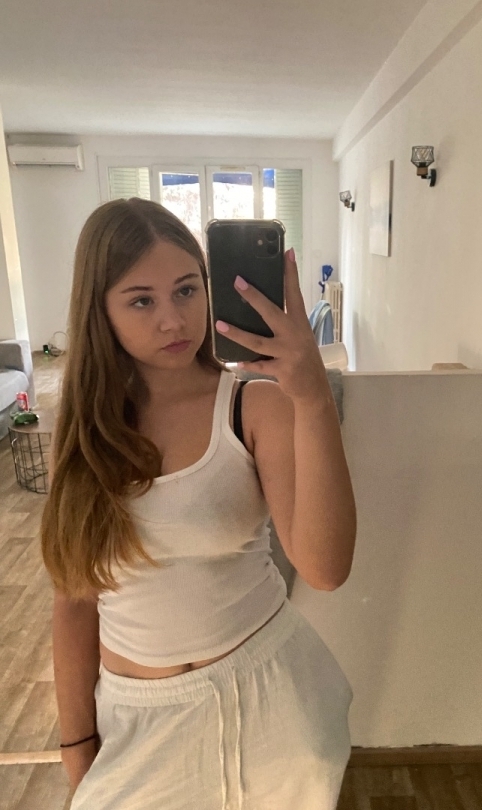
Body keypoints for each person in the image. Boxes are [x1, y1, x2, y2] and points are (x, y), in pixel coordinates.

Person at [41, 198, 357, 810]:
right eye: (142, 300)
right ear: (99, 311)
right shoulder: (81, 439)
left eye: (187, 290)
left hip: (271, 701)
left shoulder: (251, 407)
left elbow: (326, 569)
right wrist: (76, 745)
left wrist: (312, 397)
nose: (173, 320)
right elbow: (73, 600)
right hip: (138, 721)